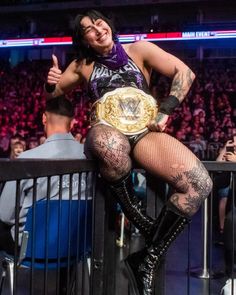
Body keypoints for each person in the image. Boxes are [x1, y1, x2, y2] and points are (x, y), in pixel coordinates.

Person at [44, 10, 212, 295]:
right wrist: (51, 81)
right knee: (112, 145)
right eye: (88, 29)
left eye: (98, 22)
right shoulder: (82, 65)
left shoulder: (139, 49)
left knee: (199, 183)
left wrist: (166, 109)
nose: (97, 29)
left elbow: (185, 72)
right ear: (84, 40)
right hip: (105, 131)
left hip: (144, 132)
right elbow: (53, 95)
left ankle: (146, 258)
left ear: (108, 24)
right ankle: (145, 223)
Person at [0, 96, 88, 255]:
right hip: (76, 244)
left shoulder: (27, 159)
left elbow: (5, 214)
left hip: (32, 246)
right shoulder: (88, 156)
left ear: (44, 118)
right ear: (73, 122)